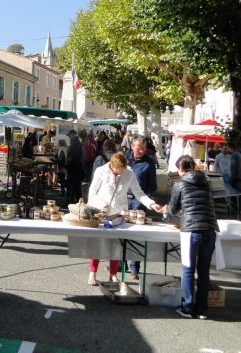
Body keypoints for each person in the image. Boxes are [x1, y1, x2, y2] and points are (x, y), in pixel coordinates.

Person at [86, 153, 162, 286]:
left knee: (116, 245)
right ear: (112, 166)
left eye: (124, 170)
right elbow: (92, 193)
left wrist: (151, 204)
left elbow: (139, 193)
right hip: (100, 212)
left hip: (118, 212)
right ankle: (92, 273)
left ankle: (113, 274)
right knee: (97, 243)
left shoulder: (129, 173)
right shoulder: (101, 171)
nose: (122, 173)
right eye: (119, 171)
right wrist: (101, 206)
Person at [161, 155, 218, 320]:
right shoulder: (208, 183)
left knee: (188, 268)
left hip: (191, 230)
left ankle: (187, 307)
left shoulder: (179, 185)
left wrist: (164, 214)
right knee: (204, 270)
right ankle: (202, 310)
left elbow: (171, 210)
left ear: (180, 170)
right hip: (210, 229)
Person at [126, 135, 157, 280]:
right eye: (138, 148)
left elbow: (152, 186)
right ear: (132, 146)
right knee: (121, 232)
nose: (141, 151)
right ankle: (121, 263)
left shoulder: (149, 163)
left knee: (136, 235)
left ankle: (135, 269)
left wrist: (147, 200)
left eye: (143, 149)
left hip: (139, 201)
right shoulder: (124, 158)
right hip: (122, 199)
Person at [65, 130, 83, 203]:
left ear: (73, 135)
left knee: (73, 185)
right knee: (75, 185)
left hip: (73, 168)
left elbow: (74, 156)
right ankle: (75, 201)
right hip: (75, 167)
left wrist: (67, 162)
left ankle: (72, 202)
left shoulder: (75, 143)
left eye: (69, 135)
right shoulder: (76, 143)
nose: (69, 137)